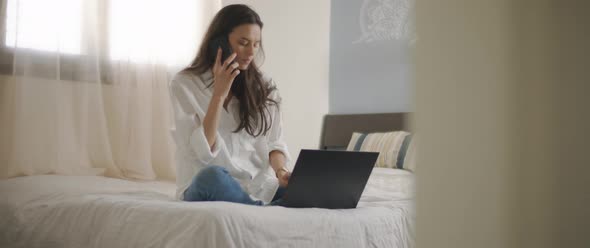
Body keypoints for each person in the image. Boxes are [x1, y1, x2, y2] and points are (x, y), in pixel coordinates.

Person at [168, 4, 291, 206]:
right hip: (209, 184)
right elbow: (202, 151)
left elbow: (274, 143)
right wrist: (218, 94)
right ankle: (265, 210)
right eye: (243, 43)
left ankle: (261, 205)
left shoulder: (265, 86)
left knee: (311, 186)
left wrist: (281, 172)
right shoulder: (184, 83)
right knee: (212, 177)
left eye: (256, 44)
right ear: (220, 42)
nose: (251, 52)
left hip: (258, 188)